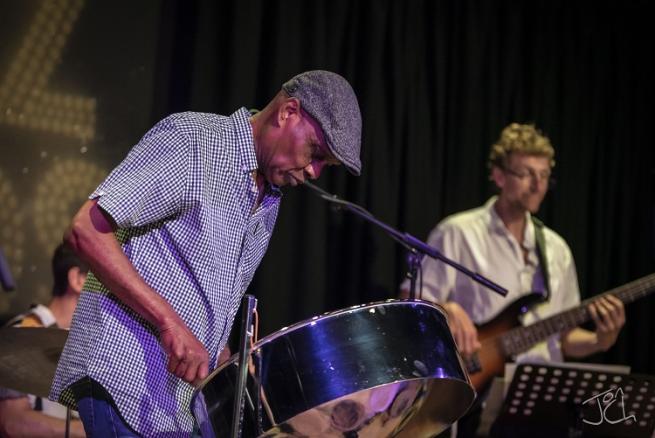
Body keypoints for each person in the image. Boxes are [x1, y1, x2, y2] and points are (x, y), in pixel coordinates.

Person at [48, 70, 363, 436]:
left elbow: (204, 294)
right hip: (126, 376)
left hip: (176, 408)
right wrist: (169, 322)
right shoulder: (193, 142)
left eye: (326, 165)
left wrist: (228, 364)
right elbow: (86, 230)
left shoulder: (269, 198)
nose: (313, 171)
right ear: (288, 112)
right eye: (316, 152)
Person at [400, 123, 625, 437]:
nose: (537, 185)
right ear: (499, 176)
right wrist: (447, 308)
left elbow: (563, 340)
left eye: (544, 175)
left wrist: (601, 340)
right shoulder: (458, 232)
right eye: (526, 174)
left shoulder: (557, 249)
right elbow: (412, 304)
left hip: (546, 403)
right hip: (481, 400)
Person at [0, 243, 88, 438]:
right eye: (105, 281)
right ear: (78, 279)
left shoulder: (86, 343)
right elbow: (11, 422)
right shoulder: (23, 334)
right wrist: (88, 431)